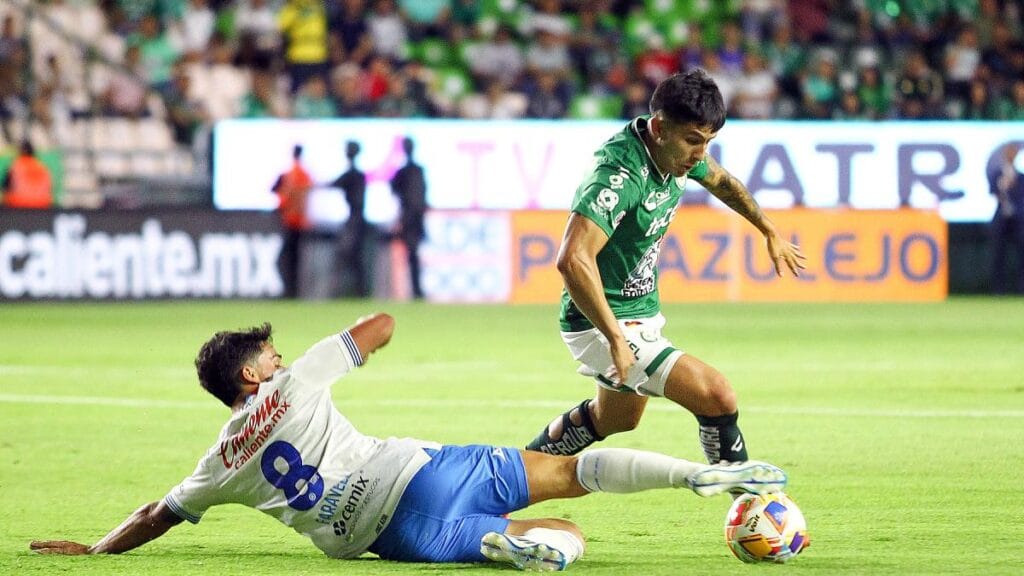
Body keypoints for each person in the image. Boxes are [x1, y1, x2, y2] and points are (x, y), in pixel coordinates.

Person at [28, 312, 788, 571]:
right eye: (270, 358)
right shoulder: (293, 388)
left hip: (389, 538)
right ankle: (695, 476)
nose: (282, 360)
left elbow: (156, 513)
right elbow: (379, 329)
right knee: (573, 474)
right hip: (417, 469)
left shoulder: (218, 464)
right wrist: (347, 346)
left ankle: (518, 549)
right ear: (254, 380)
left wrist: (97, 553)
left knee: (563, 536)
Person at [524, 70, 806, 470]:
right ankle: (751, 505)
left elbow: (722, 182)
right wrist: (615, 338)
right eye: (693, 141)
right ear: (659, 127)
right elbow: (573, 259)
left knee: (617, 419)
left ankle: (516, 471)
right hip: (601, 321)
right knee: (717, 395)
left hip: (638, 314)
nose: (699, 153)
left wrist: (768, 228)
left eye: (707, 142)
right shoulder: (619, 176)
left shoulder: (675, 154)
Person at [271, 144, 313, 298]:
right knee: (295, 259)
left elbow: (274, 189)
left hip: (290, 220)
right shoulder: (305, 175)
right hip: (300, 221)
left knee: (285, 258)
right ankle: (293, 291)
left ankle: (289, 291)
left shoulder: (289, 174)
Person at [329, 140, 369, 297]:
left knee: (347, 255)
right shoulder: (356, 174)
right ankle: (358, 292)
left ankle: (345, 292)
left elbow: (334, 184)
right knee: (354, 258)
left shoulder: (353, 174)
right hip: (356, 219)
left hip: (355, 220)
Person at [390, 136, 428, 299]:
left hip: (412, 217)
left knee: (413, 254)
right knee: (411, 254)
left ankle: (417, 290)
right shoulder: (407, 171)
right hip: (410, 217)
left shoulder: (414, 171)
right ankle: (415, 290)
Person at [987, 142, 1024, 294]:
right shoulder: (997, 174)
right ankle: (998, 290)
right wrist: (1002, 186)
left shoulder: (1020, 177)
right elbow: (993, 191)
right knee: (998, 255)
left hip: (1018, 220)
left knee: (1021, 255)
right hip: (1001, 219)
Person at [2, 140, 53, 209]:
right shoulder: (42, 167)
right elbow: (49, 188)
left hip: (19, 204)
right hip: (42, 204)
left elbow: (5, 186)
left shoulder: (17, 165)